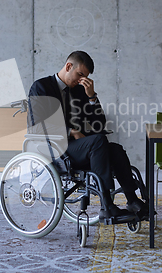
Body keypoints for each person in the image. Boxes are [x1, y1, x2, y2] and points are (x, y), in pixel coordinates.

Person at [28, 50, 149, 221]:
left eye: (84, 77)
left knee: (115, 149)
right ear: (68, 66)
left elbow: (99, 122)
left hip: (78, 147)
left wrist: (91, 96)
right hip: (55, 148)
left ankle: (132, 200)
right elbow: (38, 126)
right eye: (79, 74)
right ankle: (107, 205)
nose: (80, 80)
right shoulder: (41, 87)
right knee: (98, 142)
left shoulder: (79, 91)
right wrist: (72, 131)